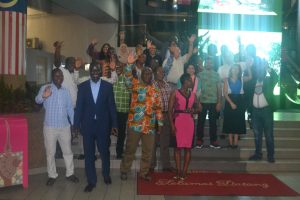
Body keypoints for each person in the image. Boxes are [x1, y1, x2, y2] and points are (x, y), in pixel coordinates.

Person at [74, 62, 118, 192]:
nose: (94, 73)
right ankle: (91, 181)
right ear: (89, 72)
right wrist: (76, 125)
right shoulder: (82, 87)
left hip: (103, 126)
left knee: (104, 152)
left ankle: (106, 175)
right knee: (89, 154)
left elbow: (111, 107)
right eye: (92, 71)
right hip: (87, 126)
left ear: (101, 72)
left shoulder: (107, 87)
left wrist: (115, 124)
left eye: (97, 71)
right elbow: (79, 107)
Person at [120, 53, 163, 181]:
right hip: (135, 124)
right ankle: (124, 170)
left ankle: (143, 173)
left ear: (152, 75)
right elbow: (127, 78)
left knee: (148, 152)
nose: (148, 75)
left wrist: (160, 124)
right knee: (130, 149)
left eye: (150, 74)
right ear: (141, 74)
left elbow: (159, 108)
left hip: (149, 126)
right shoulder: (135, 85)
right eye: (146, 73)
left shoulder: (155, 90)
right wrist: (128, 65)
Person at [35, 68, 79, 186]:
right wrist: (44, 96)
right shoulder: (46, 88)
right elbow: (37, 100)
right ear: (52, 77)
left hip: (65, 127)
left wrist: (74, 124)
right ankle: (52, 175)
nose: (59, 78)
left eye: (60, 76)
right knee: (50, 153)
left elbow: (70, 109)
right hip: (50, 127)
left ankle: (70, 173)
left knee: (68, 152)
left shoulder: (65, 91)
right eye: (56, 76)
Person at [169, 73, 200, 180]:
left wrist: (194, 110)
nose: (192, 83)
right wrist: (172, 125)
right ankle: (178, 171)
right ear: (185, 81)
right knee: (177, 148)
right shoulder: (175, 93)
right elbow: (169, 111)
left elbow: (200, 108)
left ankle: (184, 172)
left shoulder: (193, 94)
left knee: (188, 149)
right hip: (178, 121)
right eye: (190, 81)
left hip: (189, 122)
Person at [249, 61, 278, 163]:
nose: (260, 73)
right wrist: (250, 113)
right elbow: (249, 97)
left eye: (262, 71)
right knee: (257, 135)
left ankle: (270, 156)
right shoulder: (253, 82)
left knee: (269, 135)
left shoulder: (269, 81)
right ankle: (258, 154)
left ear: (265, 73)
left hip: (266, 111)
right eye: (259, 71)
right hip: (255, 112)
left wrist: (268, 67)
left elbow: (276, 77)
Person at [150, 65, 174, 172]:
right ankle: (151, 165)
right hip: (154, 116)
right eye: (159, 72)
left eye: (162, 72)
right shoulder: (151, 85)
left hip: (166, 115)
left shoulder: (167, 86)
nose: (161, 73)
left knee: (165, 142)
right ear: (154, 73)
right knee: (152, 142)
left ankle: (166, 165)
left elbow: (171, 102)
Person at [223, 64, 252, 148]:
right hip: (229, 100)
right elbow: (225, 93)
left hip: (239, 101)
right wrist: (231, 103)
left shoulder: (241, 79)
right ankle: (230, 142)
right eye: (233, 68)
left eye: (237, 69)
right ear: (231, 70)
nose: (235, 70)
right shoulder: (226, 79)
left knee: (238, 121)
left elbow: (250, 77)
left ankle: (235, 142)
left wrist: (248, 66)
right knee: (229, 120)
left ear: (239, 71)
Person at [196, 57, 222, 149]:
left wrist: (219, 102)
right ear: (204, 64)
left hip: (214, 102)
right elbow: (198, 89)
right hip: (202, 101)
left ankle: (213, 141)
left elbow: (219, 89)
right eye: (207, 63)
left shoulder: (217, 75)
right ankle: (199, 140)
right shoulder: (199, 75)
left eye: (210, 63)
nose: (208, 64)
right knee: (200, 121)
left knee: (213, 122)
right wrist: (198, 103)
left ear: (213, 64)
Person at [113, 64, 131, 159]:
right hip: (112, 111)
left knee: (121, 133)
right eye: (117, 68)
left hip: (123, 111)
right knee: (109, 132)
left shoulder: (127, 79)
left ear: (123, 69)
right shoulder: (112, 78)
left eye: (120, 67)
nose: (118, 69)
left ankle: (119, 152)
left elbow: (130, 87)